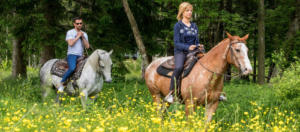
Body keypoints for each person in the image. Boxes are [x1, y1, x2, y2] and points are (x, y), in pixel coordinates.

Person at [164, 2, 226, 103]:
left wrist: (199, 45)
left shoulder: (194, 26)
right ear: (182, 12)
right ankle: (171, 93)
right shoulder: (178, 26)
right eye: (187, 11)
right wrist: (188, 47)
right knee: (179, 67)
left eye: (191, 11)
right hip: (181, 52)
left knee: (211, 65)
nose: (189, 13)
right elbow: (176, 43)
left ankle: (216, 93)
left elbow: (196, 41)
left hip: (195, 51)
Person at [58, 17, 90, 92]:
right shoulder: (70, 32)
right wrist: (78, 36)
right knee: (72, 68)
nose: (79, 25)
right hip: (72, 54)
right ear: (74, 24)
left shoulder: (84, 34)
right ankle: (62, 83)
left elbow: (87, 47)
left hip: (81, 55)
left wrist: (82, 37)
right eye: (77, 23)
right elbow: (71, 43)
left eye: (80, 23)